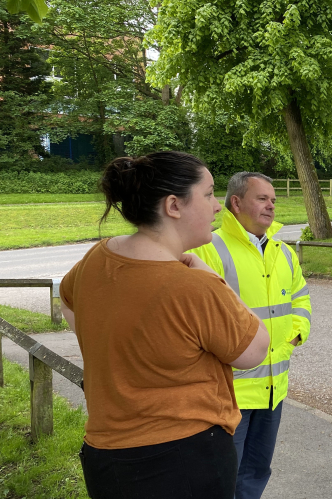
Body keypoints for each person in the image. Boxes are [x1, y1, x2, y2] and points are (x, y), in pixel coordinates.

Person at [60, 151, 271, 499]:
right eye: (208, 194)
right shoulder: (193, 285)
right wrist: (215, 280)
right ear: (173, 206)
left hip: (105, 456)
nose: (216, 207)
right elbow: (255, 351)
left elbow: (69, 304)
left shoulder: (99, 257)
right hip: (185, 456)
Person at [190, 172, 311, 499]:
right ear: (236, 202)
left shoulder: (283, 252)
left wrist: (294, 335)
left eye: (273, 200)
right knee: (223, 476)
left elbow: (301, 298)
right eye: (262, 198)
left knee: (257, 471)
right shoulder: (208, 249)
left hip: (273, 388)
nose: (271, 205)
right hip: (230, 394)